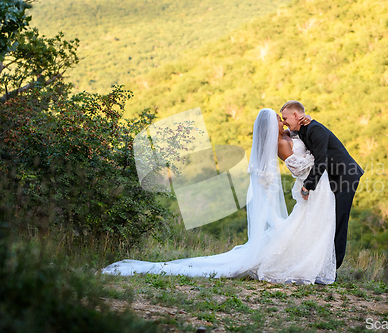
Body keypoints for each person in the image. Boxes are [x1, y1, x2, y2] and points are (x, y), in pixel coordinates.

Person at [102, 108, 337, 284]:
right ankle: (305, 265)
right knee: (310, 225)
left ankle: (309, 262)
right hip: (312, 185)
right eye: (278, 119)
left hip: (316, 185)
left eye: (282, 117)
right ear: (271, 127)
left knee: (311, 226)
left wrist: (305, 124)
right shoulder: (279, 144)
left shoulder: (287, 135)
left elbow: (300, 134)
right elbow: (303, 164)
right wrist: (315, 158)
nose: (282, 121)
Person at [280, 100, 364, 270]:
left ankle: (333, 268)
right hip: (331, 179)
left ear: (296, 115)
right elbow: (290, 134)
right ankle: (323, 264)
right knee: (328, 221)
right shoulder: (302, 128)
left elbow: (321, 160)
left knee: (339, 223)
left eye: (285, 118)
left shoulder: (314, 129)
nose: (284, 122)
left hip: (345, 177)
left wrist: (308, 185)